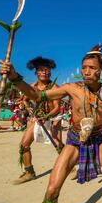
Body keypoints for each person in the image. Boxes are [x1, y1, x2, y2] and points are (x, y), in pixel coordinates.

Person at [0, 42, 102, 203]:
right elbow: (37, 94)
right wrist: (14, 77)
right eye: (84, 67)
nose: (86, 72)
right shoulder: (71, 88)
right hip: (75, 139)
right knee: (53, 185)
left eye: (92, 68)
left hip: (99, 138)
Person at [10, 57, 62, 185]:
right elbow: (24, 99)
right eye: (41, 70)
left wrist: (47, 117)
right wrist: (30, 110)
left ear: (50, 72)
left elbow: (56, 107)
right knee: (24, 145)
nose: (44, 72)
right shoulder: (31, 86)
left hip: (53, 117)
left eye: (47, 70)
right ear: (36, 72)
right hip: (37, 118)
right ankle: (29, 172)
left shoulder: (54, 87)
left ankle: (70, 167)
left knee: (58, 144)